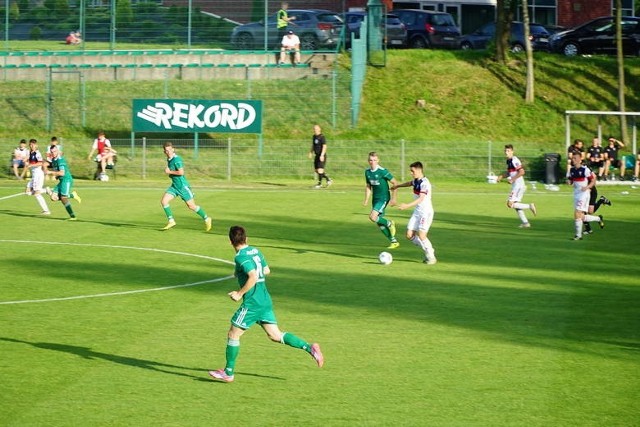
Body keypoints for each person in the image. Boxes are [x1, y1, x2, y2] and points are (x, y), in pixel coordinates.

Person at [208, 225, 324, 383]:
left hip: (252, 303)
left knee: (233, 334)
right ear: (246, 239)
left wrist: (238, 293)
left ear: (230, 242)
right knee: (275, 335)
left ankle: (228, 372)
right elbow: (267, 270)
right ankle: (309, 347)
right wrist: (239, 273)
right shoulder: (255, 250)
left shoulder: (240, 257)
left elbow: (253, 276)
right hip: (264, 300)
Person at [160, 141, 212, 232]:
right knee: (164, 201)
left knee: (191, 206)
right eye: (166, 151)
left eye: (169, 150)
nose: (168, 152)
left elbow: (181, 172)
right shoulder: (169, 159)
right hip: (175, 186)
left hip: (182, 187)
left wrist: (169, 172)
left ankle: (207, 218)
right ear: (164, 152)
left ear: (173, 149)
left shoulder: (177, 159)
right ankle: (171, 221)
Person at [392, 161, 437, 264]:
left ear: (419, 170)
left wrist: (407, 205)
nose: (411, 173)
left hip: (426, 212)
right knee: (409, 235)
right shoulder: (416, 180)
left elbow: (421, 198)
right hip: (418, 211)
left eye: (412, 171)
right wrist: (398, 186)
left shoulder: (425, 183)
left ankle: (431, 255)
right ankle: (427, 250)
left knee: (422, 235)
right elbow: (409, 183)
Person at [363, 151, 399, 249]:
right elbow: (368, 186)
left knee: (372, 217)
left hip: (384, 198)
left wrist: (394, 198)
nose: (372, 162)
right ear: (368, 161)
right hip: (375, 199)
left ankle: (389, 223)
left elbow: (395, 183)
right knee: (379, 223)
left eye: (374, 160)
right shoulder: (367, 172)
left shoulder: (383, 171)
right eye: (370, 160)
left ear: (378, 160)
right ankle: (393, 241)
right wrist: (366, 199)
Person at [496, 144, 537, 228]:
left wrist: (512, 179)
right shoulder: (508, 161)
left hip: (518, 185)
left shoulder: (515, 160)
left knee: (510, 204)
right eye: (505, 151)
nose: (506, 152)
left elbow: (522, 172)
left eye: (508, 151)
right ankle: (525, 223)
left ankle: (530, 206)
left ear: (512, 151)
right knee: (516, 205)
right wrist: (501, 176)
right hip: (516, 185)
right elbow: (509, 173)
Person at [567, 151, 604, 240]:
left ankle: (578, 235)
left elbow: (593, 179)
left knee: (577, 213)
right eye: (573, 158)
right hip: (576, 194)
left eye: (575, 158)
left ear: (580, 159)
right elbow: (571, 181)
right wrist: (569, 182)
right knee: (581, 217)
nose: (573, 160)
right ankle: (598, 219)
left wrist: (587, 187)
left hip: (584, 195)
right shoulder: (571, 170)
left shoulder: (585, 170)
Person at [45, 144, 81, 220]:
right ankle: (72, 195)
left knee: (63, 198)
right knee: (53, 197)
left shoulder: (60, 160)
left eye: (55, 151)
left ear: (57, 151)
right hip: (62, 181)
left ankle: (73, 216)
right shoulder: (53, 160)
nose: (53, 153)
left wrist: (50, 172)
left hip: (66, 180)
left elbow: (62, 173)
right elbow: (58, 173)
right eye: (52, 152)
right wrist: (56, 175)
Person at [24, 139, 51, 215]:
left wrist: (31, 165)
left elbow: (40, 163)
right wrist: (26, 161)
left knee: (37, 194)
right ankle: (45, 190)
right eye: (30, 144)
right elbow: (28, 160)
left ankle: (46, 210)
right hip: (34, 175)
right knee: (27, 192)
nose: (32, 146)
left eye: (33, 144)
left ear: (36, 145)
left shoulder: (37, 153)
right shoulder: (29, 152)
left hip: (38, 175)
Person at [308, 124, 332, 188]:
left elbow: (325, 146)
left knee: (320, 170)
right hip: (316, 155)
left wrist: (322, 155)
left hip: (322, 155)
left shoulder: (322, 137)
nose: (315, 130)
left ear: (319, 129)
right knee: (316, 170)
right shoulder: (314, 136)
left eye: (316, 129)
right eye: (314, 129)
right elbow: (313, 145)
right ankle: (328, 179)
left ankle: (319, 184)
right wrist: (310, 152)